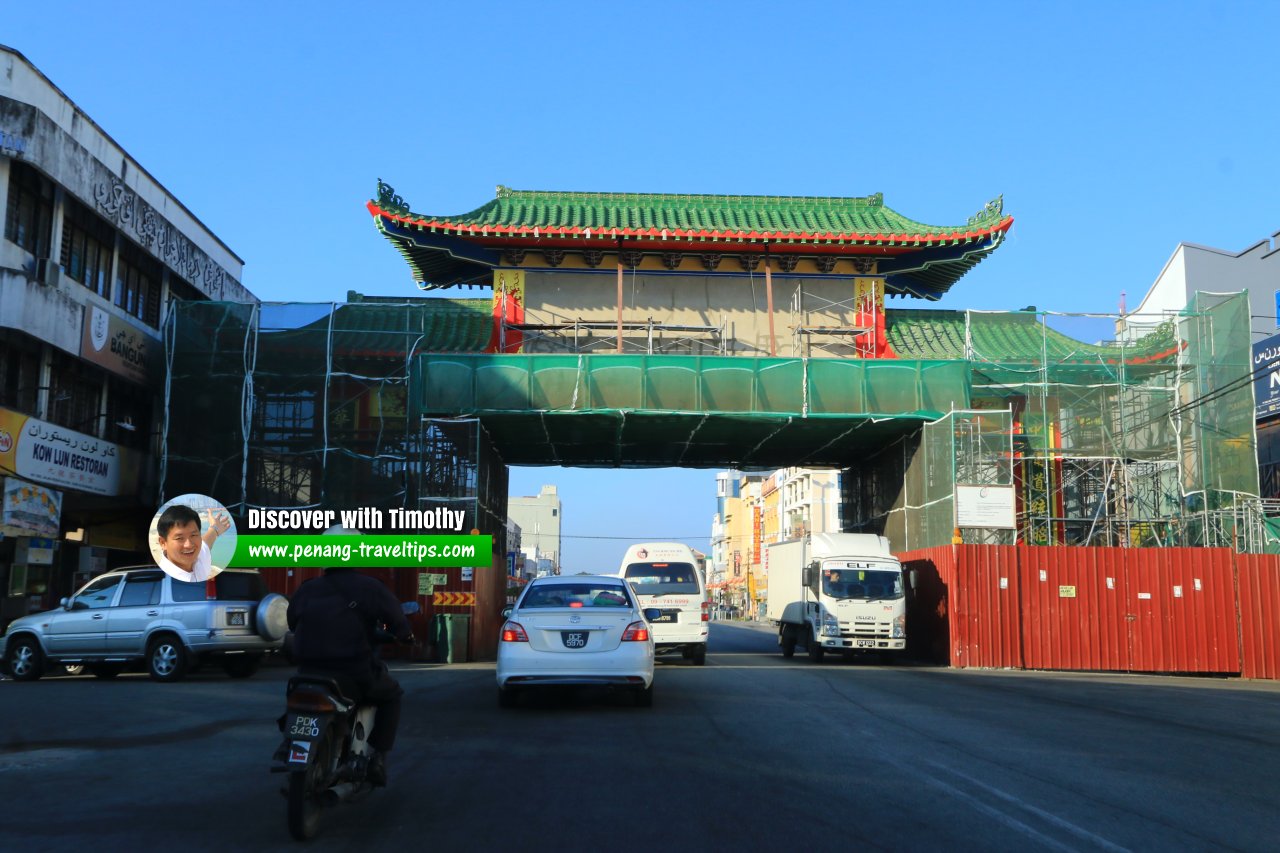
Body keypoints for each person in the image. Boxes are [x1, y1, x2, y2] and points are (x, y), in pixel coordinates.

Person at [285, 526, 412, 787]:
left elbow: (291, 621)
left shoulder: (307, 589)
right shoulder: (370, 588)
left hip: (306, 674)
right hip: (352, 674)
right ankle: (377, 758)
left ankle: (292, 745)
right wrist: (405, 636)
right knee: (392, 695)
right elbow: (398, 621)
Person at [155, 504, 230, 582]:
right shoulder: (164, 579)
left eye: (193, 535)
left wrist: (214, 528)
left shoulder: (199, 557)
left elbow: (206, 543)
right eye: (179, 538)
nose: (189, 545)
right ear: (163, 543)